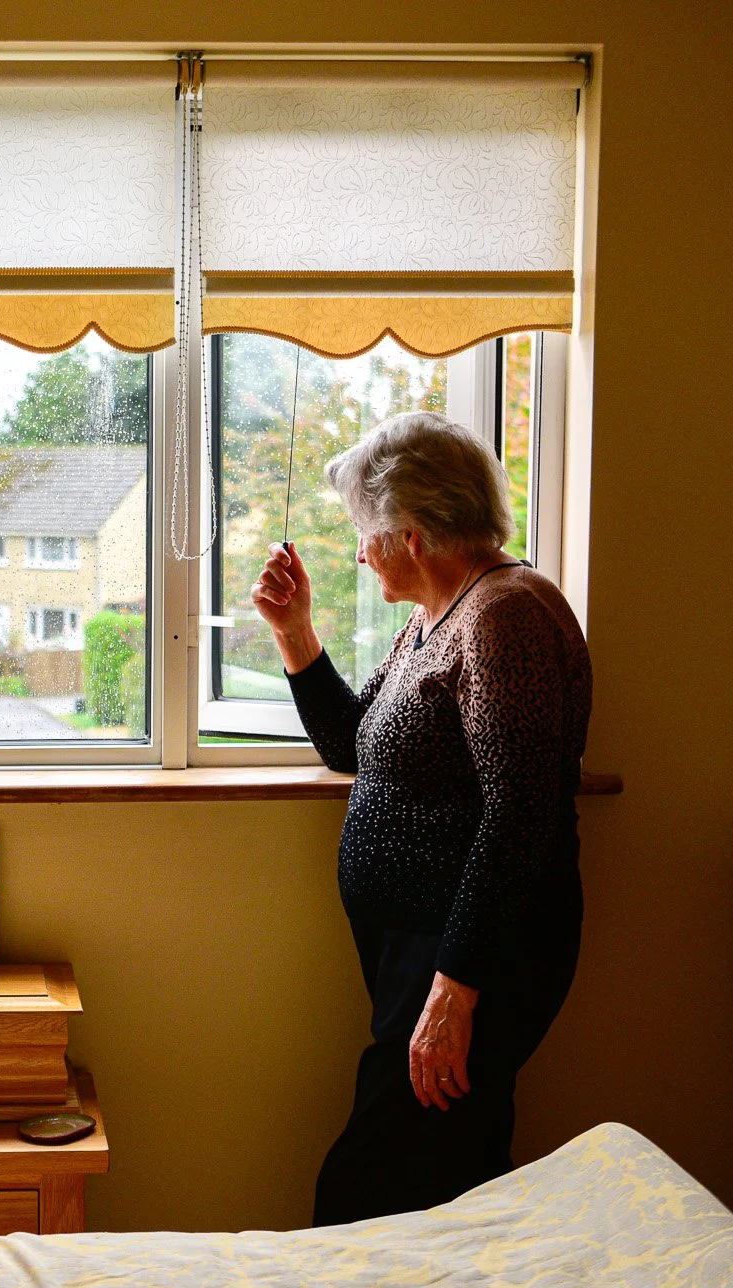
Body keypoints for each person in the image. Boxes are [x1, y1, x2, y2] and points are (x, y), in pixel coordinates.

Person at [251, 410, 592, 1226]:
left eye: (366, 534)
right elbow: (351, 743)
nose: (360, 552)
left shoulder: (503, 615)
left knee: (367, 1185)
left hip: (472, 954)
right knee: (450, 1178)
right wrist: (296, 635)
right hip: (428, 949)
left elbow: (522, 814)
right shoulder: (439, 614)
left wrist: (456, 988)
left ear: (411, 532)